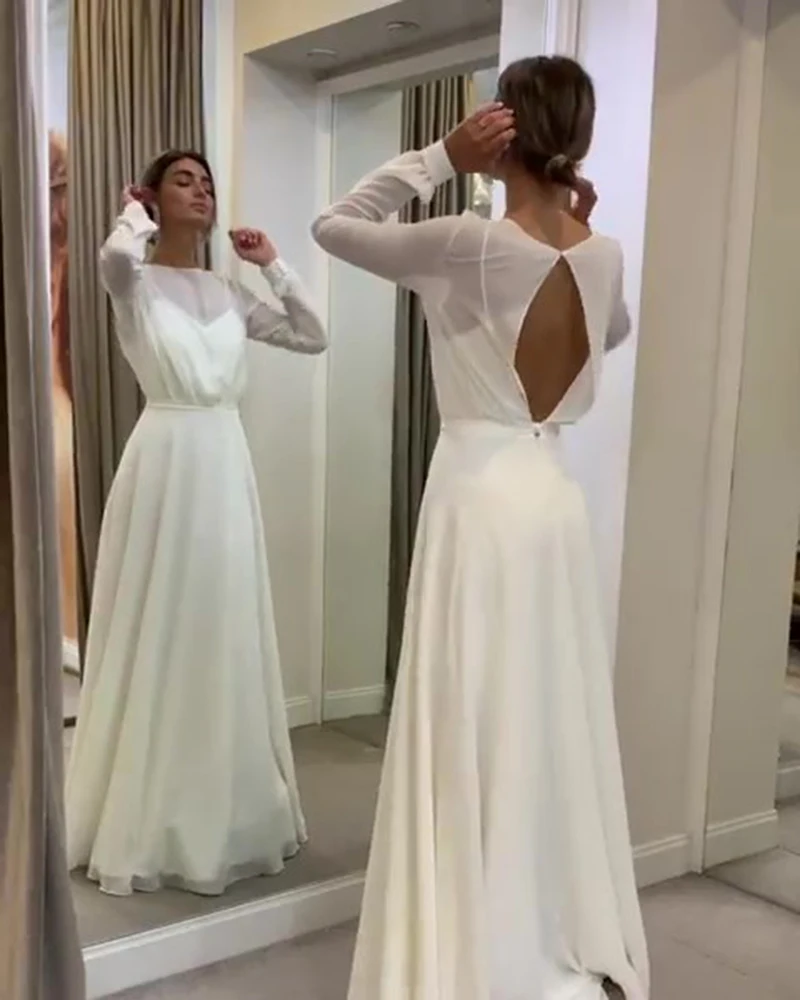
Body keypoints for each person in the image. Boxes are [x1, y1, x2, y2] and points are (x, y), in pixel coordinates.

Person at [312, 56, 648, 1000]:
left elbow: (334, 225)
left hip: (478, 494)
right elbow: (612, 332)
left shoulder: (465, 244)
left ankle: (475, 926)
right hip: (552, 496)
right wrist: (579, 221)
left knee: (472, 707)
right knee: (542, 710)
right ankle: (536, 912)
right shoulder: (603, 250)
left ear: (502, 129)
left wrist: (437, 158)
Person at [66, 150, 326, 896]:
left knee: (222, 621)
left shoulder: (230, 292)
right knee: (163, 618)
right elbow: (116, 258)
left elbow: (312, 335)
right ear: (154, 196)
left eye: (207, 183)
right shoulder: (134, 281)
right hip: (165, 454)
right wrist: (134, 215)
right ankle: (149, 807)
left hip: (222, 459)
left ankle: (228, 803)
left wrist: (274, 265)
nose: (202, 191)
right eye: (185, 181)